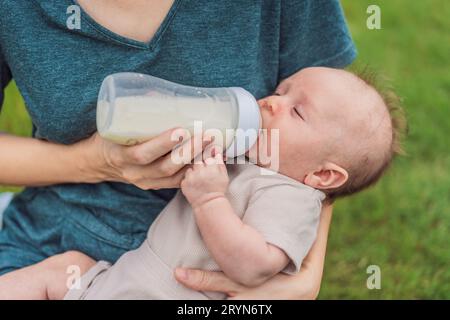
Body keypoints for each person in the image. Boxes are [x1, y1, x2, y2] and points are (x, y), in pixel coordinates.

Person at [0, 1, 356, 299]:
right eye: (280, 92)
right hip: (57, 240)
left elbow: (335, 135)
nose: (272, 103)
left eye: (293, 109)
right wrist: (94, 162)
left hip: (195, 287)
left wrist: (306, 275)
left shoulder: (276, 187)